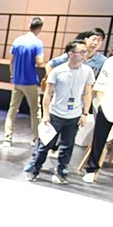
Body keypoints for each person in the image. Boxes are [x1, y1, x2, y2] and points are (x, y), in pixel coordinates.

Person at [24, 39, 94, 184]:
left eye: (85, 52)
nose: (84, 55)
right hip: (55, 114)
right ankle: (34, 169)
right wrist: (46, 114)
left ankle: (61, 172)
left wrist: (85, 113)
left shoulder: (87, 71)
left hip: (74, 115)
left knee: (67, 147)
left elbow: (88, 93)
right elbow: (47, 94)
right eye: (81, 52)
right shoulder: (57, 71)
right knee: (45, 144)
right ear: (70, 54)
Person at [3, 17, 46, 148]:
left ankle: (7, 138)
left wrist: (12, 75)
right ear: (40, 28)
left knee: (12, 110)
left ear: (29, 26)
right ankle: (36, 138)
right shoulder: (37, 43)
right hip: (30, 81)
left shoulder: (17, 40)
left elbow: (11, 61)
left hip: (17, 80)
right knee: (35, 111)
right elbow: (39, 62)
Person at [82, 54, 113, 184]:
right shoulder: (110, 62)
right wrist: (102, 106)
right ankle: (91, 169)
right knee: (99, 140)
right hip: (107, 105)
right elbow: (100, 86)